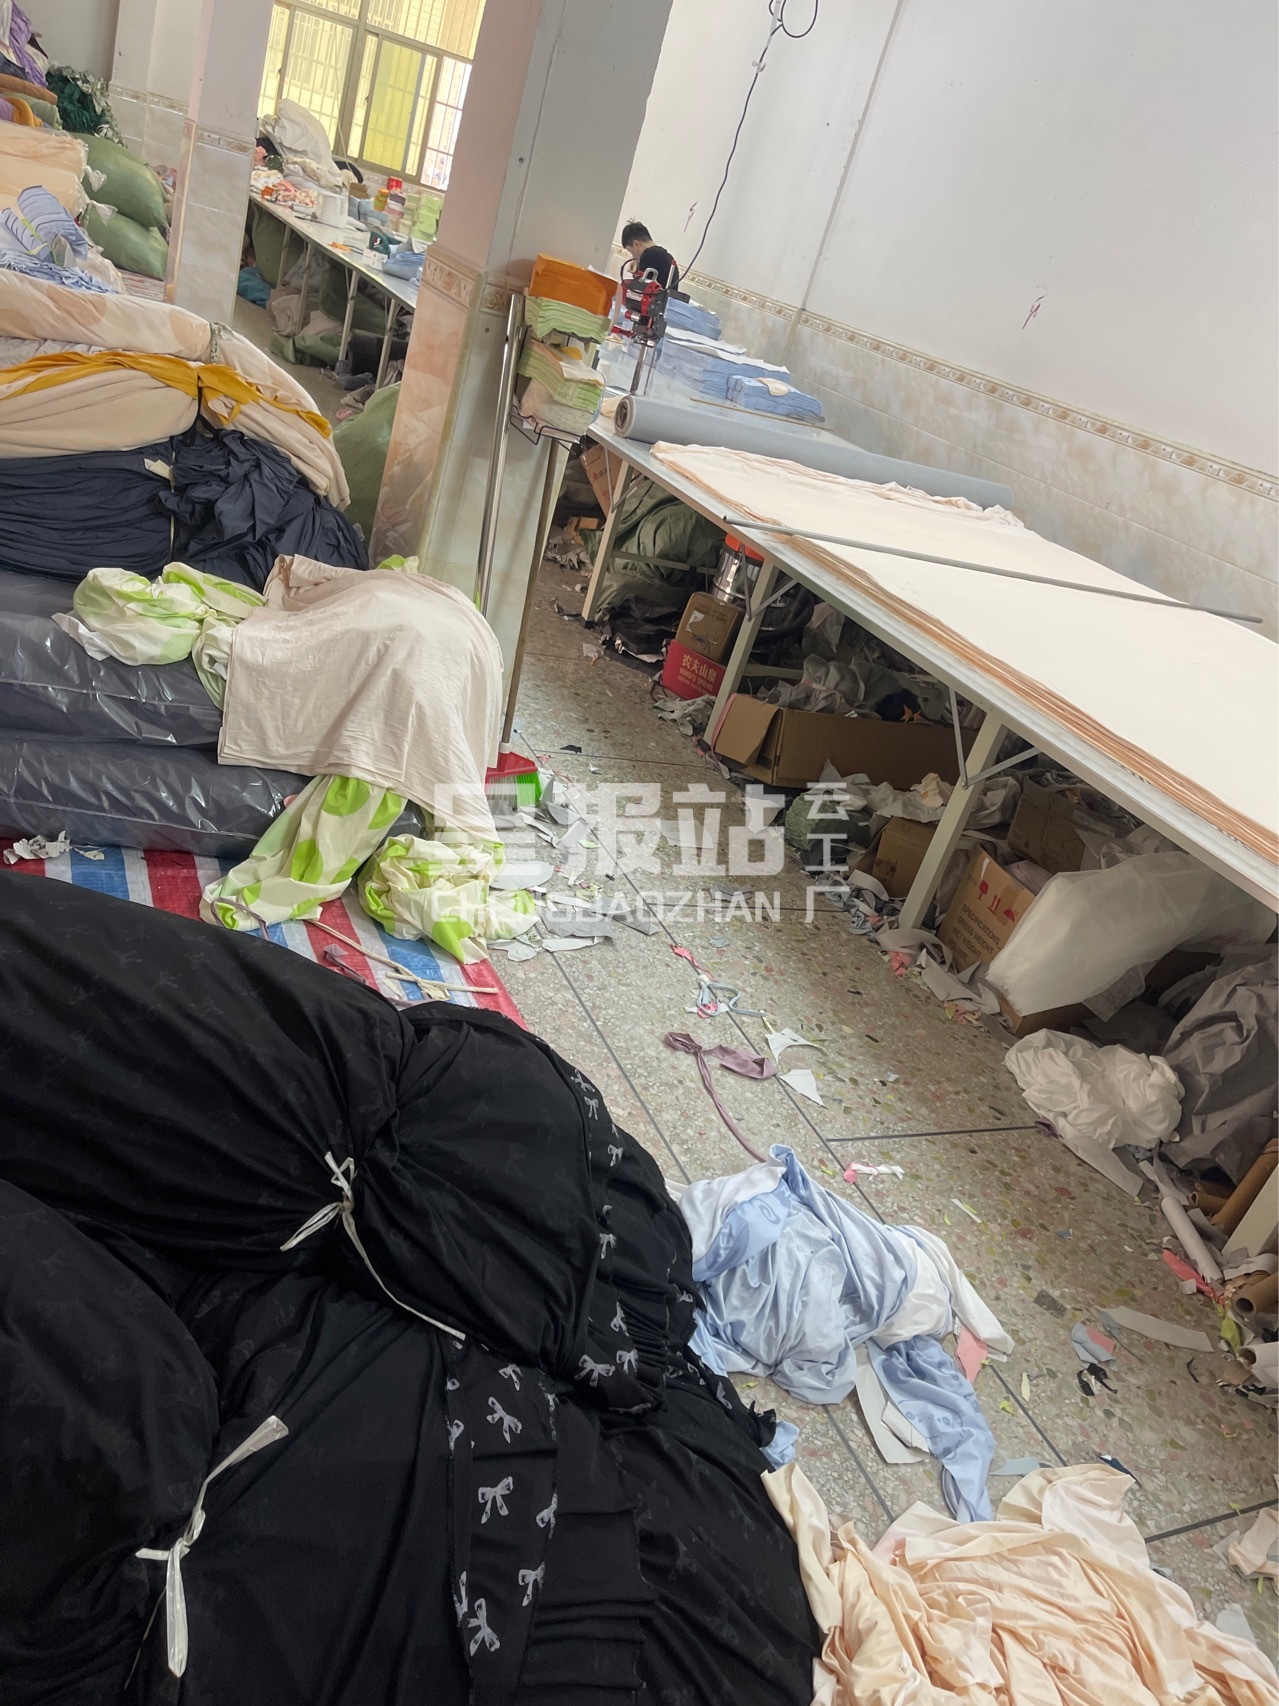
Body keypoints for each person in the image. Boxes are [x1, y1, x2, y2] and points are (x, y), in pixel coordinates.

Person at [620, 220, 680, 294]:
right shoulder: (666, 256)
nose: (633, 256)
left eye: (631, 252)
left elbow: (640, 291)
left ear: (636, 244)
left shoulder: (648, 256)